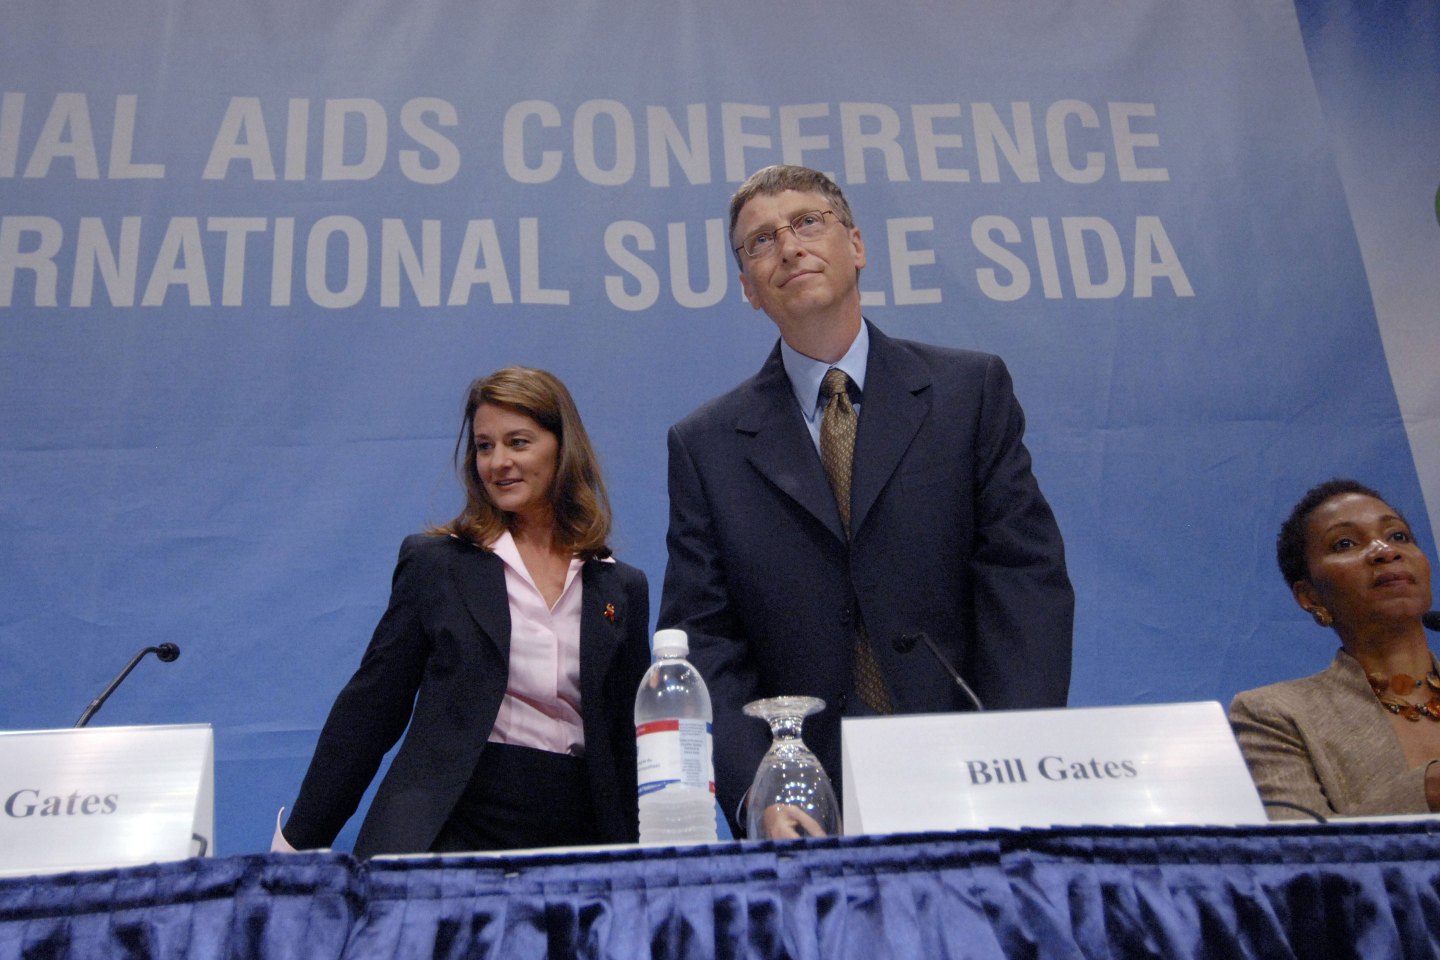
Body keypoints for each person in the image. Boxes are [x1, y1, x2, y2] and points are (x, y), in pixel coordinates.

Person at [659, 164, 1074, 837]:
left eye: (807, 222)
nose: (788, 247)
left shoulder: (967, 393)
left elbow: (1024, 583)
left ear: (856, 246)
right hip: (809, 799)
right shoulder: (706, 445)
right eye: (760, 241)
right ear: (748, 289)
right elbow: (707, 639)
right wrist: (759, 791)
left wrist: (1014, 755)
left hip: (970, 769)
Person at [274, 367, 651, 856]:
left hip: (582, 832)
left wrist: (654, 857)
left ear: (563, 448)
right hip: (450, 827)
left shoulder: (620, 587)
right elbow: (371, 710)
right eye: (484, 446)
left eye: (518, 442)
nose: (498, 462)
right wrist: (297, 847)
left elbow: (631, 744)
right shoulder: (438, 566)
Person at [1229, 478, 1440, 820]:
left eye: (1398, 536)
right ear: (1310, 596)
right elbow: (1298, 843)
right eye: (1345, 543)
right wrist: (1426, 791)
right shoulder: (1276, 714)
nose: (1385, 551)